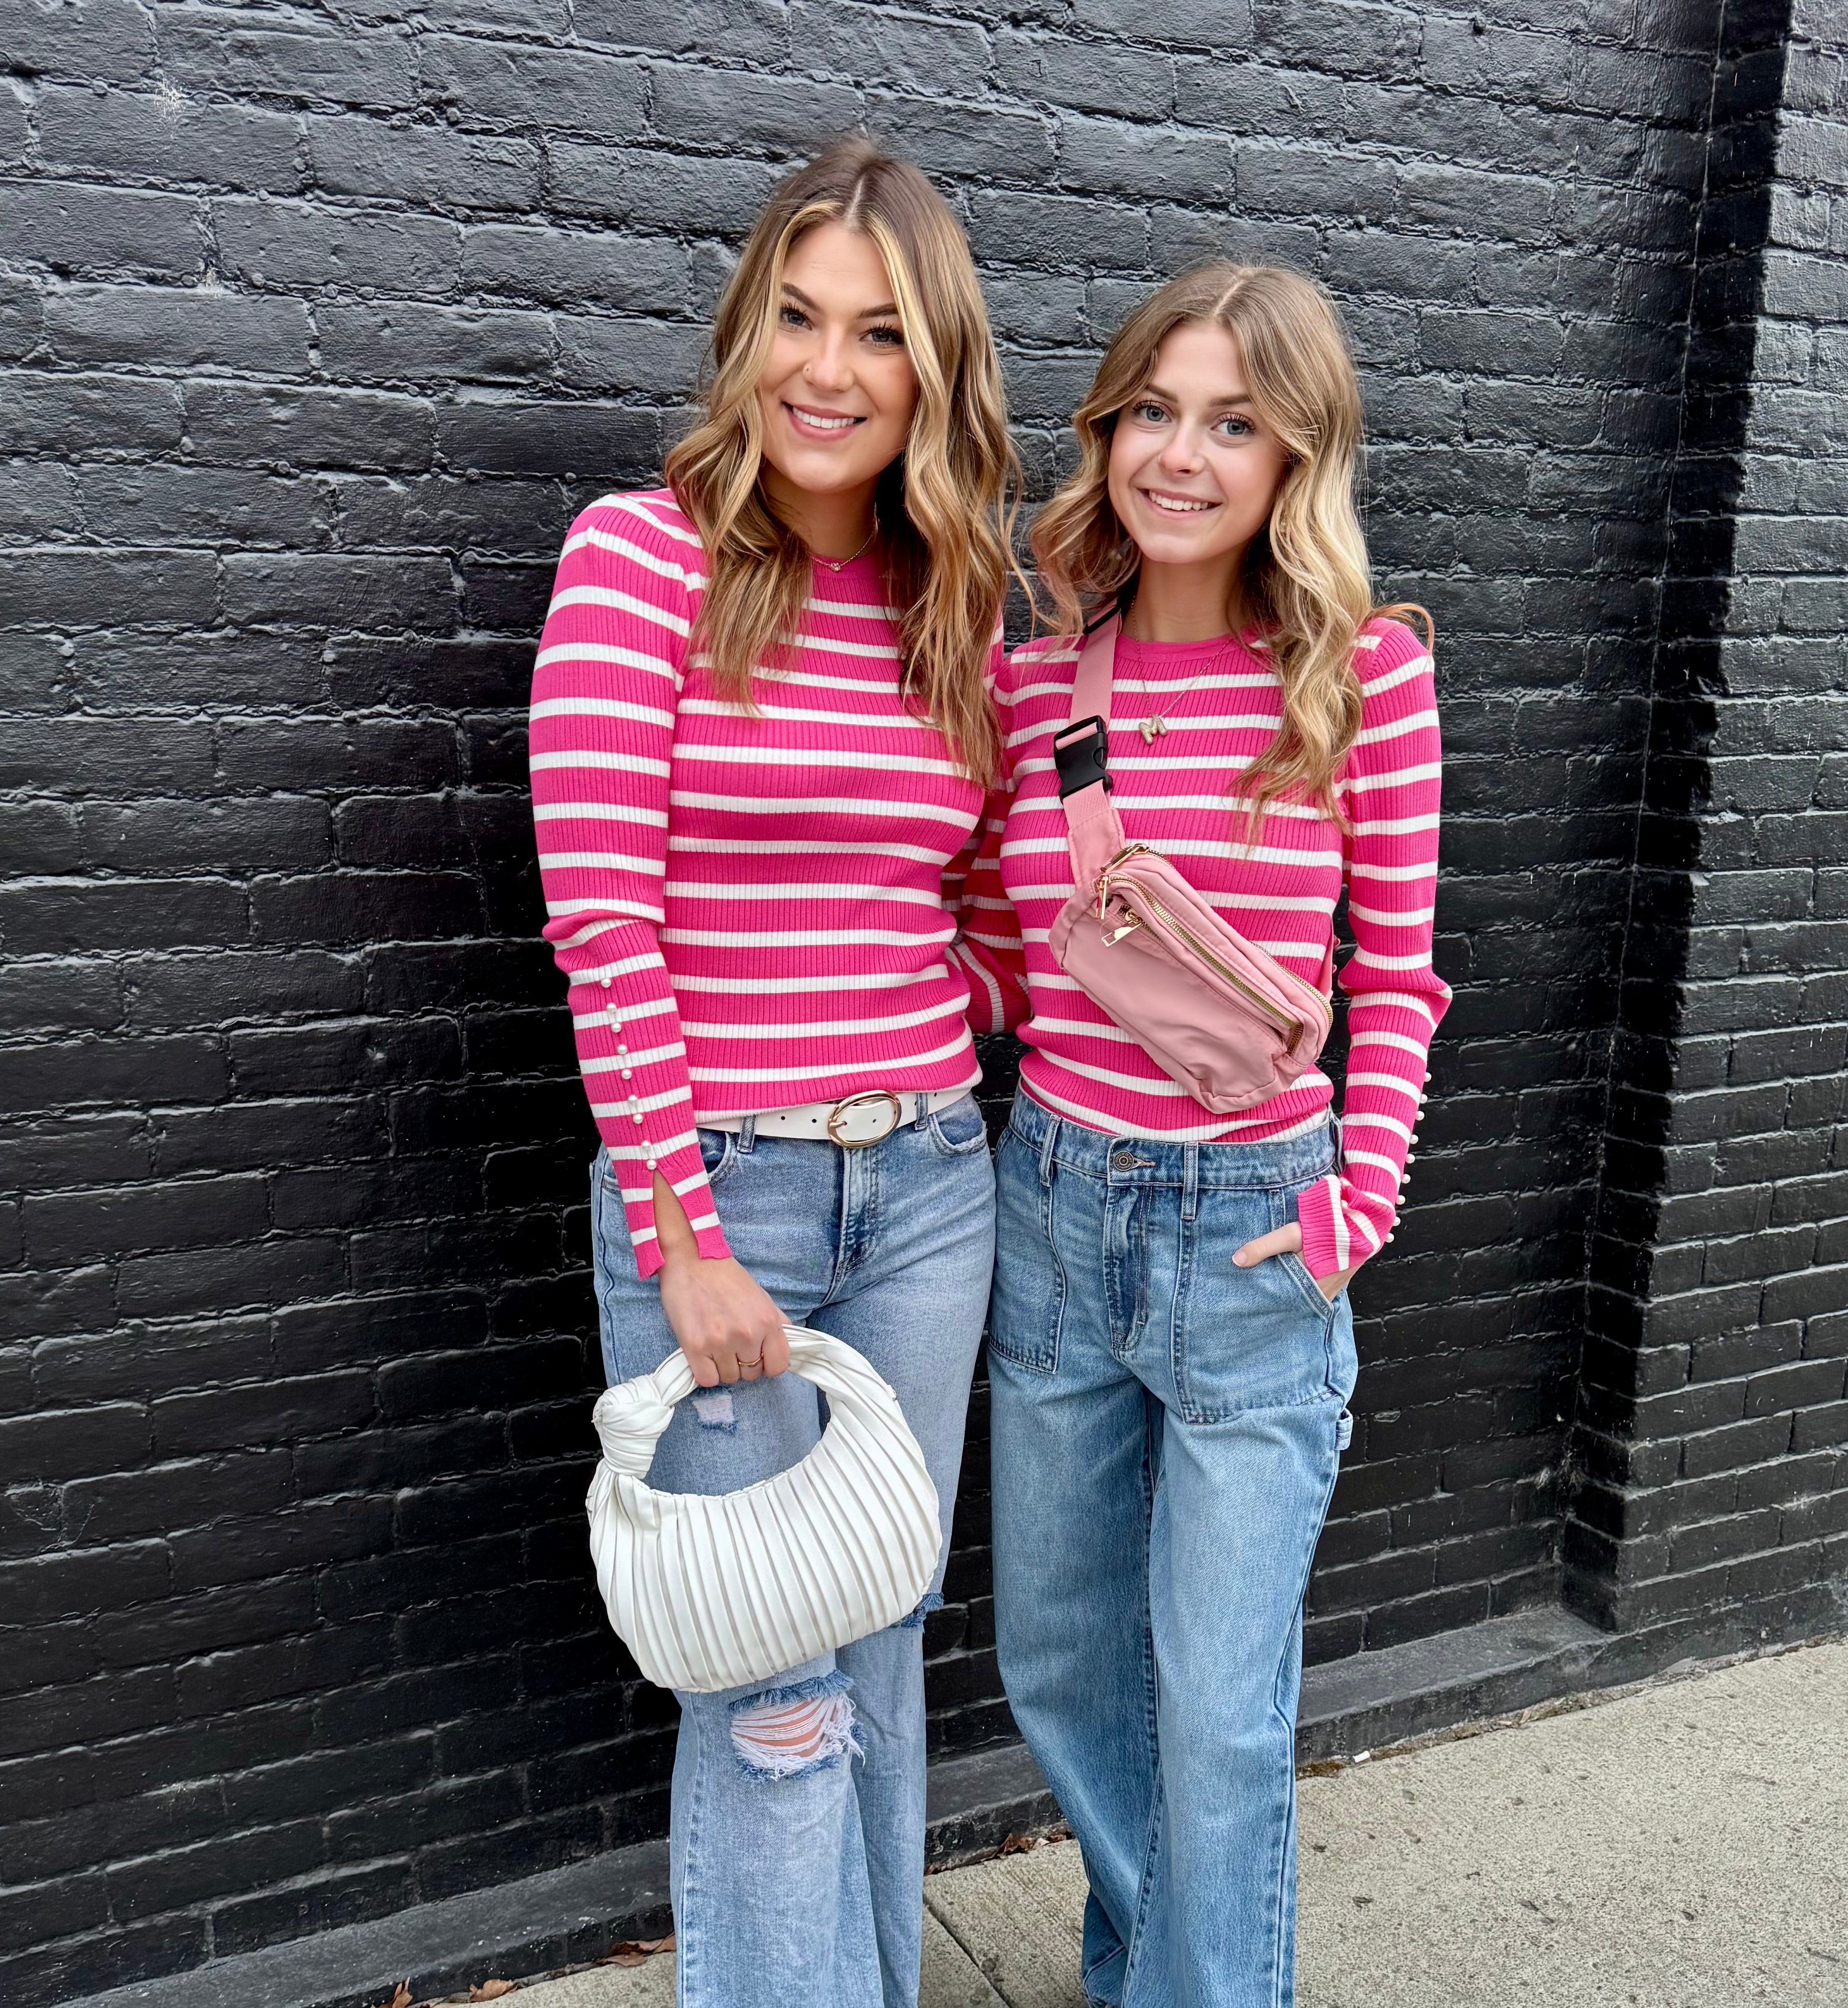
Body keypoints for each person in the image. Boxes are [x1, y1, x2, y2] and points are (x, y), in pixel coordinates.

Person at [528, 138, 1018, 2008]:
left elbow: (982, 896)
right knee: (772, 1688)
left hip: (925, 1193)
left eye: (879, 335)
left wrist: (920, 1033)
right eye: (797, 319)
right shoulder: (636, 558)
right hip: (716, 1183)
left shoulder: (953, 603)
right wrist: (681, 1224)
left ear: (930, 372)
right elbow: (602, 919)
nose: (829, 369)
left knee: (876, 1638)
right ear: (749, 337)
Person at [965, 263, 1450, 2008]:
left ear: (1294, 459)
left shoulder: (1364, 679)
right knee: (1062, 1665)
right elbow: (1015, 958)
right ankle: (1151, 1968)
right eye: (1155, 412)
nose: (1184, 454)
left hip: (1255, 1233)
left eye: (1235, 422)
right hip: (1056, 1209)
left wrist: (1354, 1206)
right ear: (1108, 433)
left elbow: (1397, 972)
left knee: (1223, 1712)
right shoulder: (1040, 687)